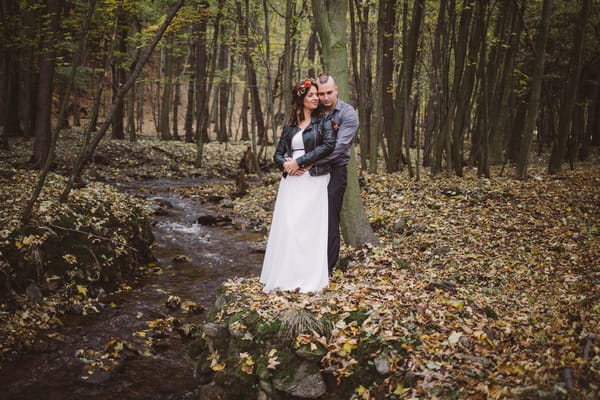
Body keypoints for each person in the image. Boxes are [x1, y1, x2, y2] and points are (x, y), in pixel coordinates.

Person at [259, 79, 336, 293]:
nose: (315, 98)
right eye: (310, 95)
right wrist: (286, 164)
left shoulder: (324, 121)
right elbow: (277, 153)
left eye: (316, 95)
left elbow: (328, 145)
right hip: (292, 180)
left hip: (314, 178)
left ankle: (308, 279)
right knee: (289, 226)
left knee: (308, 227)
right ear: (301, 98)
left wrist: (300, 162)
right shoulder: (291, 125)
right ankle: (286, 277)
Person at [314, 74, 359, 274]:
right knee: (311, 216)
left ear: (337, 90)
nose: (325, 97)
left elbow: (338, 148)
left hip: (335, 171)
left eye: (329, 93)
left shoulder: (348, 114)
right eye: (321, 93)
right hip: (312, 172)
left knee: (330, 218)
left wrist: (307, 161)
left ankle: (328, 267)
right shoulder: (314, 111)